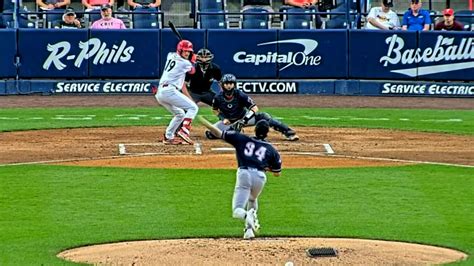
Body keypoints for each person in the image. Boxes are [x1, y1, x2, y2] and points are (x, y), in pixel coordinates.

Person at [198, 116, 282, 239]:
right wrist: (265, 167)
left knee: (237, 210)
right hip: (260, 177)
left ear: (255, 130)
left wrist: (209, 126)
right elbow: (277, 173)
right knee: (252, 199)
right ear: (267, 133)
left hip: (244, 174)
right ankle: (248, 231)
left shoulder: (242, 139)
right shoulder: (271, 149)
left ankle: (246, 216)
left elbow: (219, 133)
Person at [207, 73, 299, 141]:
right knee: (210, 134)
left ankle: (289, 133)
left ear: (234, 84)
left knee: (264, 117)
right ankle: (233, 131)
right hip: (228, 121)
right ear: (223, 85)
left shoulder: (240, 95)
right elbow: (215, 110)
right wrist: (223, 118)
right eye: (226, 84)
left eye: (231, 83)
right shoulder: (218, 97)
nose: (229, 86)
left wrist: (243, 121)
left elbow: (254, 108)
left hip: (243, 118)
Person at [155, 40, 199, 145]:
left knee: (180, 114)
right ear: (180, 50)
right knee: (193, 108)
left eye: (189, 52)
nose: (187, 53)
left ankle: (168, 136)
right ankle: (184, 130)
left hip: (161, 92)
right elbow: (192, 71)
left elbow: (178, 58)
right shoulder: (184, 63)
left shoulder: (171, 55)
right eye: (185, 51)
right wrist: (193, 61)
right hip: (169, 91)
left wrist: (190, 59)